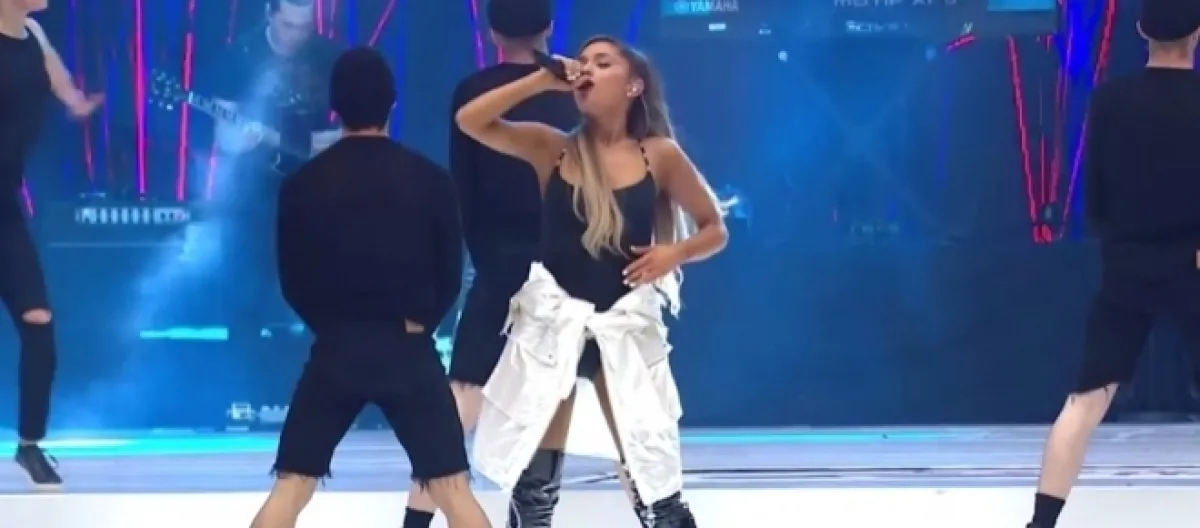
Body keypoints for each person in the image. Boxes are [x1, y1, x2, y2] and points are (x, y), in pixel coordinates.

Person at [457, 36, 728, 528]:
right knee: (533, 493)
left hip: (622, 326)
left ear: (633, 86)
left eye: (603, 63)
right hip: (554, 326)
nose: (587, 70)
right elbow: (471, 121)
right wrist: (541, 81)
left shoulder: (658, 155)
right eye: (582, 63)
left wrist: (675, 253)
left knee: (653, 476)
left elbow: (715, 228)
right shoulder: (555, 149)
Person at [251, 47, 489, 528]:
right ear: (392, 103)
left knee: (291, 488)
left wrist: (336, 327)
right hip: (408, 347)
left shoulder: (301, 185)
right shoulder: (431, 180)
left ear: (333, 107)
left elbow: (293, 280)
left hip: (336, 349)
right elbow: (450, 275)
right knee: (453, 491)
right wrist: (419, 324)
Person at [402, 0, 578, 526]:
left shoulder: (472, 95)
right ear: (550, 28)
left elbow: (464, 190)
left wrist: (482, 260)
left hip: (500, 261)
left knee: (463, 396)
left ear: (493, 33)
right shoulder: (577, 93)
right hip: (569, 267)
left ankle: (416, 521)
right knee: (564, 398)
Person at [1027, 2, 1200, 527]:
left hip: (1128, 265)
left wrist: (1122, 241)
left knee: (1085, 401)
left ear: (1141, 30)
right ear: (1197, 35)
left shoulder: (1111, 99)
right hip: (1193, 264)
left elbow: (1096, 195)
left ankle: (1041, 524)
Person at [195, 0, 343, 350]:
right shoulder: (239, 57)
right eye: (289, 26)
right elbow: (225, 137)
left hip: (318, 184)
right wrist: (243, 139)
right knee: (247, 284)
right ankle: (244, 363)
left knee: (321, 281)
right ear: (270, 15)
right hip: (255, 189)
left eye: (305, 27)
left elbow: (354, 130)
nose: (298, 36)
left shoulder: (330, 58)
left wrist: (307, 144)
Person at [0, 0, 103, 490]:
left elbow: (62, 86)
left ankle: (29, 444)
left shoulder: (35, 34)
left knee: (38, 321)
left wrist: (78, 104)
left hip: (3, 210)